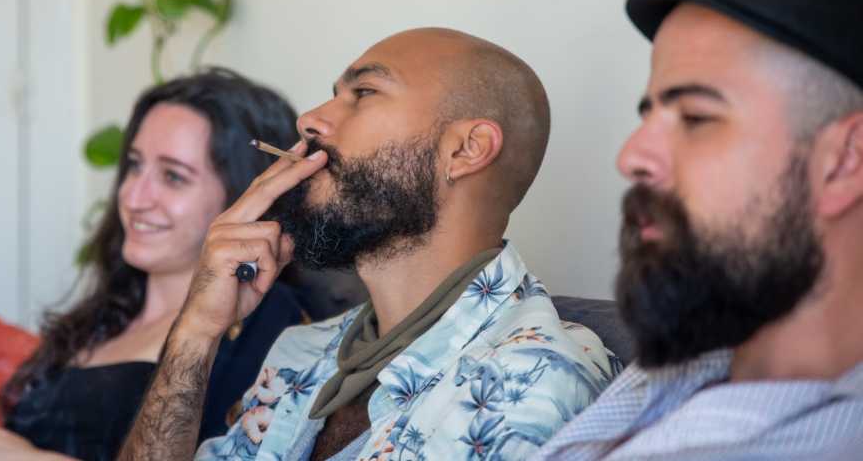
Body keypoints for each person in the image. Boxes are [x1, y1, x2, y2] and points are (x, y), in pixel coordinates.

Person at [118, 27, 619, 461]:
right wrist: (197, 333)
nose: (310, 120)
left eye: (364, 93)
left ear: (466, 150)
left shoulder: (531, 379)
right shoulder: (302, 351)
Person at [536, 0, 863, 460]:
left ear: (846, 160)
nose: (630, 156)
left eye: (696, 117)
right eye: (648, 115)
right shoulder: (690, 360)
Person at [0, 68, 306, 461]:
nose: (133, 197)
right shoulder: (110, 312)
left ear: (246, 195)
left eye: (173, 176)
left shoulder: (262, 322)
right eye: (134, 166)